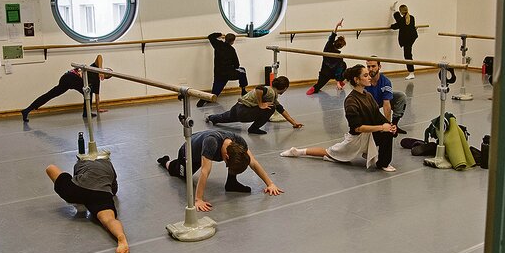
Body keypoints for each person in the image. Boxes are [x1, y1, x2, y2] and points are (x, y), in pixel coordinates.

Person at [281, 64, 398, 172]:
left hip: (369, 134)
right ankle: (297, 151)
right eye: (365, 75)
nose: (369, 78)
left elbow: (377, 115)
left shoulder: (368, 95)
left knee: (387, 133)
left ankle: (383, 163)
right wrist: (381, 127)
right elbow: (357, 128)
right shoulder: (351, 101)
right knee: (328, 152)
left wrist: (389, 125)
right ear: (357, 80)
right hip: (356, 140)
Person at [156, 129, 284, 211]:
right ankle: (166, 161)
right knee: (180, 173)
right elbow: (205, 171)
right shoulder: (212, 143)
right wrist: (198, 199)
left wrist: (270, 184)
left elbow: (253, 162)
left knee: (237, 162)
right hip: (189, 152)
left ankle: (231, 183)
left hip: (205, 147)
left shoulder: (239, 142)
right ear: (226, 157)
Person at [45, 152, 129, 253]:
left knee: (51, 168)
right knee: (109, 220)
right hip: (101, 194)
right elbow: (114, 190)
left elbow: (75, 175)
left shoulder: (79, 163)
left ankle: (80, 199)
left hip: (77, 190)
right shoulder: (109, 165)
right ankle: (121, 238)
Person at [22, 54, 111, 121]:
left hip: (69, 79)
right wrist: (100, 70)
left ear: (104, 78)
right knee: (87, 91)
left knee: (87, 91)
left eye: (106, 74)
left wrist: (98, 109)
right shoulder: (95, 67)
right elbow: (99, 56)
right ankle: (86, 113)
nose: (104, 72)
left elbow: (97, 96)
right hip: (70, 76)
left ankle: (27, 110)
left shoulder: (97, 82)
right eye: (105, 70)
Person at [206, 76, 303, 135]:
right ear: (285, 88)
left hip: (238, 107)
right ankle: (253, 128)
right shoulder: (270, 92)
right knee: (271, 108)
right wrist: (260, 104)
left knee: (224, 117)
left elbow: (281, 110)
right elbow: (259, 89)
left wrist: (294, 123)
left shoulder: (272, 94)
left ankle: (211, 118)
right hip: (243, 111)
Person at [197, 32, 248, 107]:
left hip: (218, 73)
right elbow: (237, 64)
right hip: (229, 73)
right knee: (242, 71)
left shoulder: (218, 44)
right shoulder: (232, 50)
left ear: (225, 39)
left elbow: (210, 36)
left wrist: (220, 34)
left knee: (215, 94)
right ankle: (243, 90)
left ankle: (205, 98)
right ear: (232, 41)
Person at [365, 58, 408, 135]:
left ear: (379, 67)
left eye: (373, 66)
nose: (371, 69)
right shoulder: (364, 80)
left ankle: (394, 125)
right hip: (369, 105)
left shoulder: (385, 82)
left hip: (380, 100)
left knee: (400, 96)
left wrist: (388, 126)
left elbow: (386, 104)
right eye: (368, 67)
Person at [306, 19, 347, 95]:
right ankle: (340, 81)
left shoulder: (328, 46)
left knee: (317, 86)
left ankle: (314, 88)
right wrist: (338, 82)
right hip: (331, 73)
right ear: (341, 47)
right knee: (343, 65)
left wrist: (337, 26)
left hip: (325, 73)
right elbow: (339, 70)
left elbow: (332, 35)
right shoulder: (339, 57)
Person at [389, 3, 418, 80]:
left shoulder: (402, 20)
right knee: (408, 54)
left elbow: (396, 26)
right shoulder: (411, 17)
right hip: (412, 38)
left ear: (401, 11)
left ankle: (411, 72)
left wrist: (391, 26)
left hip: (407, 39)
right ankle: (393, 10)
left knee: (407, 56)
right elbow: (400, 22)